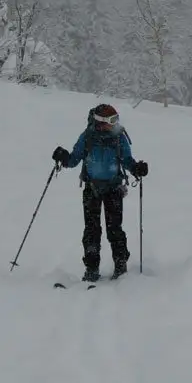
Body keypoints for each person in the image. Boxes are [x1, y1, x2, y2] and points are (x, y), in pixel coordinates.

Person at [52, 104, 149, 282]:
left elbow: (127, 160)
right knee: (92, 230)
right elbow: (73, 159)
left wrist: (136, 168)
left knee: (115, 229)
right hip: (92, 189)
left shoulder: (119, 137)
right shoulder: (88, 136)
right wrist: (63, 157)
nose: (115, 123)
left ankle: (121, 266)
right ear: (101, 121)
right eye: (112, 120)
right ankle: (91, 268)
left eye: (116, 119)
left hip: (114, 189)